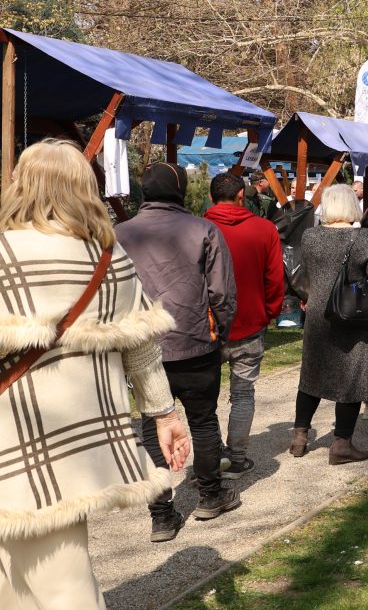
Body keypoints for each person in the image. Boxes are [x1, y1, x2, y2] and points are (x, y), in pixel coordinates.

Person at [0, 141, 192, 604]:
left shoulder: (5, 252)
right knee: (54, 568)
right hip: (77, 438)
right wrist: (165, 414)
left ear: (23, 184)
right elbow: (141, 348)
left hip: (11, 427)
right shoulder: (109, 257)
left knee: (33, 576)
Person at [115, 161, 242, 535]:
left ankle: (161, 514)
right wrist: (223, 330)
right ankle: (210, 495)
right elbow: (222, 293)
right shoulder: (203, 229)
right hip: (194, 342)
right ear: (180, 190)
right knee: (203, 420)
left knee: (152, 425)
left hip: (142, 346)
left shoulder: (119, 234)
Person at [291, 185, 368, 463]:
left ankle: (299, 436)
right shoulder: (365, 239)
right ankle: (341, 444)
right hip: (354, 315)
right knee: (352, 378)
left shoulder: (311, 236)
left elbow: (305, 274)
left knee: (312, 375)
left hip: (318, 314)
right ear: (352, 205)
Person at [204, 172, 285, 476]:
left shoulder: (199, 228)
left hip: (209, 325)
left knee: (205, 398)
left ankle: (212, 457)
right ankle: (236, 457)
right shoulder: (264, 229)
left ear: (211, 198)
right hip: (250, 321)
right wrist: (270, 311)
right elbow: (274, 277)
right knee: (243, 394)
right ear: (241, 196)